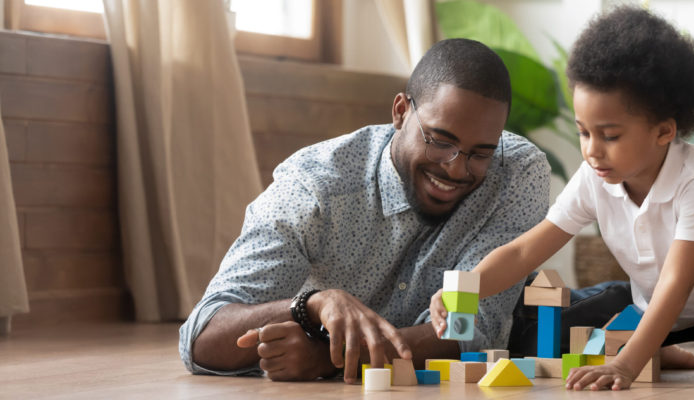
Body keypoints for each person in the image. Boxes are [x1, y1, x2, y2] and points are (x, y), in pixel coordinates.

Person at [430, 5, 694, 390]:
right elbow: (524, 253)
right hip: (649, 301)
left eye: (610, 135)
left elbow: (677, 283)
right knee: (534, 335)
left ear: (663, 132)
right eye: (584, 132)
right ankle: (665, 349)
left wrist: (626, 363)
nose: (592, 150)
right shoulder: (594, 176)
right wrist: (463, 290)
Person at [179, 38, 552, 383]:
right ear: (401, 111)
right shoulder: (314, 188)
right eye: (440, 141)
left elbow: (472, 329)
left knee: (603, 307)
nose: (457, 168)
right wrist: (311, 306)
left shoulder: (516, 173)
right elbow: (200, 337)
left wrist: (331, 358)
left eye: (480, 153)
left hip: (529, 326)